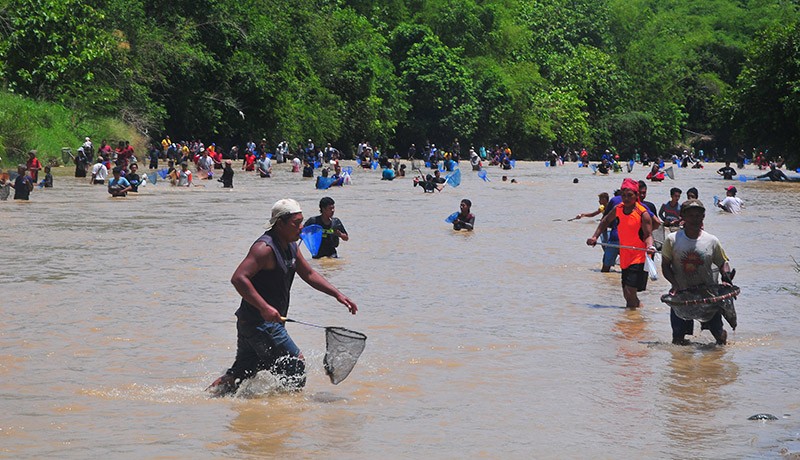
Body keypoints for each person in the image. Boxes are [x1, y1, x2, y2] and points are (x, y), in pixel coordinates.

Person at [206, 199, 358, 396]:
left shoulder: (291, 246)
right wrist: (264, 308)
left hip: (250, 322)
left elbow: (309, 274)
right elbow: (238, 278)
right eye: (296, 223)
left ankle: (204, 400)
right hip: (261, 323)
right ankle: (289, 415)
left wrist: (337, 294)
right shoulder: (264, 249)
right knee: (296, 365)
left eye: (301, 222)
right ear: (280, 223)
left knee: (241, 374)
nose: (301, 227)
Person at [661, 199, 734, 345]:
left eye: (698, 215)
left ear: (703, 217)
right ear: (683, 217)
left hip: (708, 295)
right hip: (681, 295)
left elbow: (723, 263)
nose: (695, 219)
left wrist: (726, 278)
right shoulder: (672, 240)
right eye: (691, 215)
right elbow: (665, 266)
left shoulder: (711, 241)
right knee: (678, 341)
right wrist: (674, 284)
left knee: (719, 339)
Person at [587, 178, 656, 309]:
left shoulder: (643, 213)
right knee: (626, 293)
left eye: (629, 195)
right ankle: (636, 317)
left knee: (630, 291)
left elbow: (648, 235)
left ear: (636, 196)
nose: (626, 198)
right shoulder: (618, 209)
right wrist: (595, 237)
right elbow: (605, 221)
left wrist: (649, 246)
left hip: (639, 257)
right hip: (625, 257)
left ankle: (631, 323)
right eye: (623, 195)